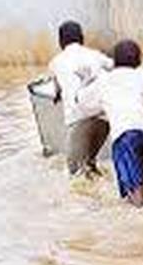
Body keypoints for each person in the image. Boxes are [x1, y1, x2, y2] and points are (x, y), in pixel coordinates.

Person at [77, 40, 143, 207]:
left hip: (126, 138)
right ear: (139, 61)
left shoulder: (106, 80)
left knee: (134, 193)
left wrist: (85, 82)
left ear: (114, 62)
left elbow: (83, 105)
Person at [49, 21, 114, 178]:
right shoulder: (95, 55)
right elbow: (116, 67)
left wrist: (58, 95)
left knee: (75, 175)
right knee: (90, 165)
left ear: (60, 42)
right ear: (82, 38)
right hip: (104, 119)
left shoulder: (56, 62)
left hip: (79, 120)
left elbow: (56, 91)